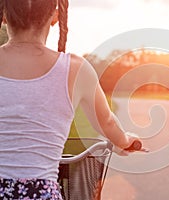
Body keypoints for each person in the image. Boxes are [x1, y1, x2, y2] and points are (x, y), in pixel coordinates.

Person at [0, 0, 140, 199]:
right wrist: (124, 141)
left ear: (4, 15)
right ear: (56, 16)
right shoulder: (75, 68)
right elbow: (107, 122)